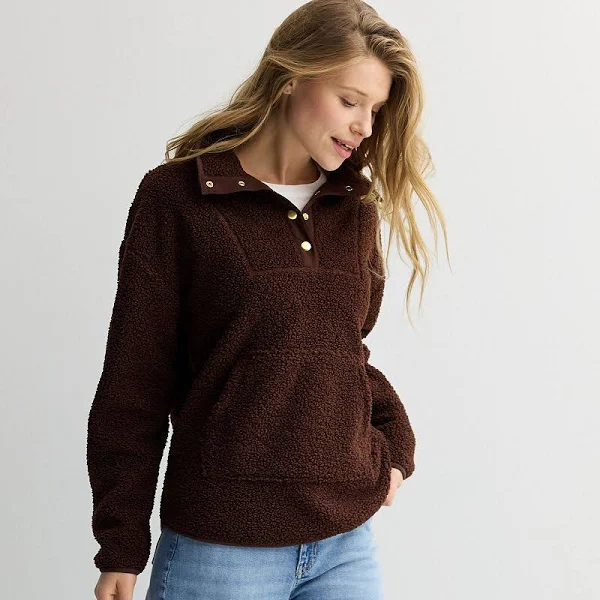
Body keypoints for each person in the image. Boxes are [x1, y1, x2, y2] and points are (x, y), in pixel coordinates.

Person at [87, 1, 448, 599]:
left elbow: (341, 350)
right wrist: (121, 544)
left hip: (345, 543)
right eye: (350, 101)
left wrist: (394, 445)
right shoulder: (178, 198)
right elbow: (135, 380)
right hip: (221, 550)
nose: (364, 126)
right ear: (291, 78)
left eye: (376, 110)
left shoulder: (353, 209)